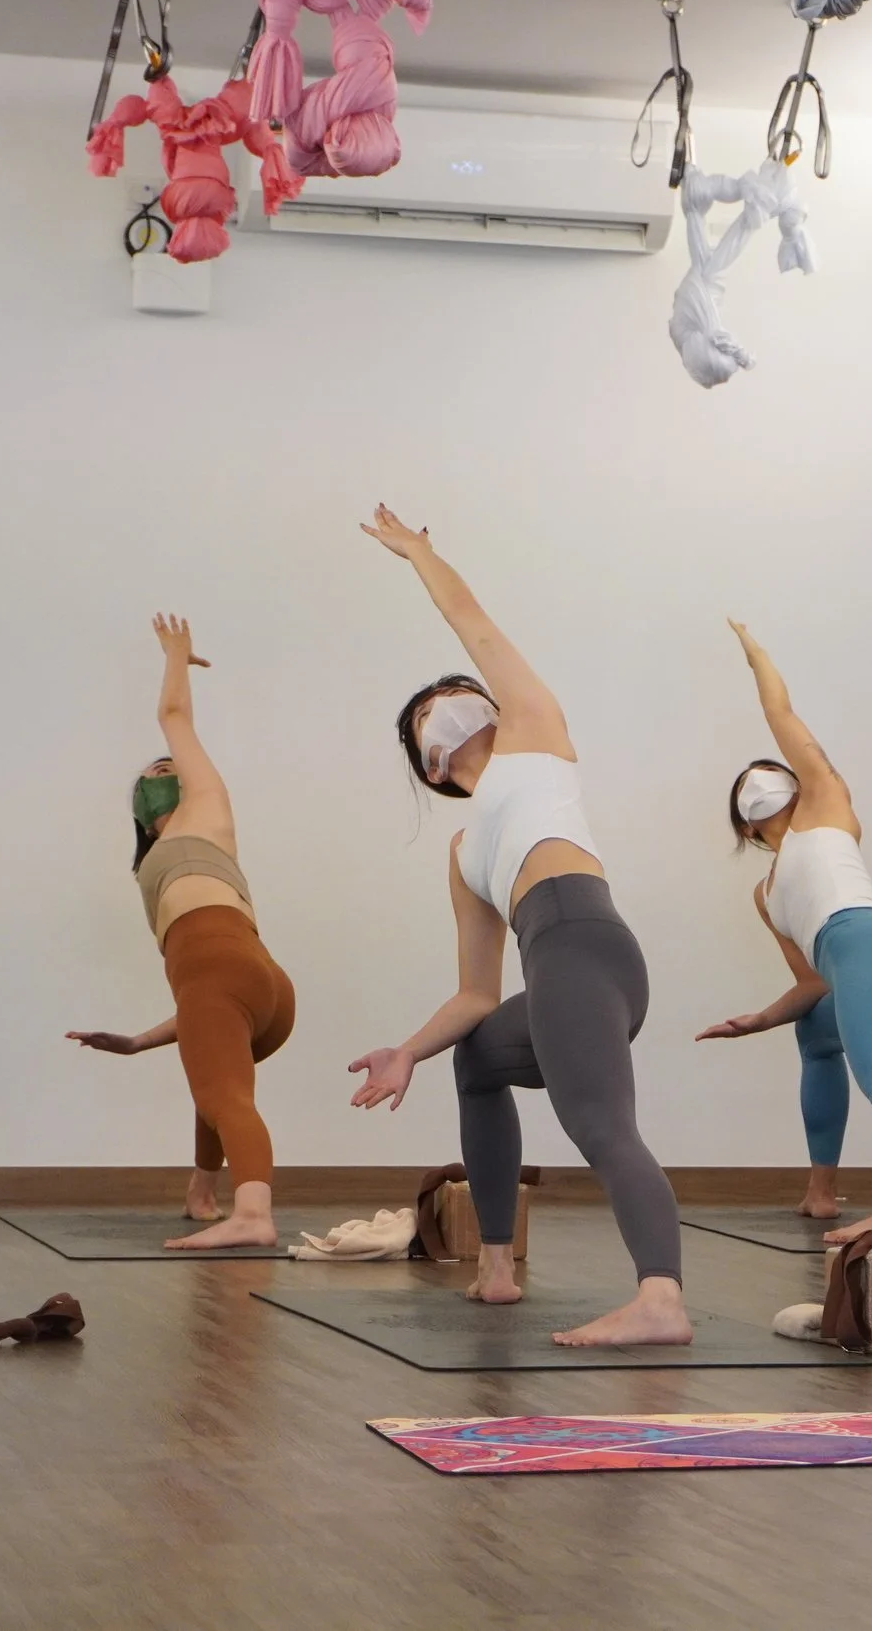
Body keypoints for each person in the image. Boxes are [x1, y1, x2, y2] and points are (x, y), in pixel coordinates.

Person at [343, 505, 688, 1348]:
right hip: (558, 966)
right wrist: (406, 1050)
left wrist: (419, 553)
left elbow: (473, 621)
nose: (446, 700)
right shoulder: (464, 851)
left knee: (603, 1128)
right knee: (479, 1055)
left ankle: (660, 1300)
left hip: (584, 944)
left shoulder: (533, 731)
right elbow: (475, 992)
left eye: (453, 691)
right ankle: (495, 1266)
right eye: (428, 708)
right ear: (431, 766)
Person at [699, 622, 872, 1244]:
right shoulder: (767, 893)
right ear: (747, 832)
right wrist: (757, 1020)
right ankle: (820, 1192)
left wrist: (756, 658)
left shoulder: (826, 806)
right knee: (816, 1031)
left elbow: (780, 711)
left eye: (768, 772)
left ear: (797, 786)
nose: (757, 781)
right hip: (856, 966)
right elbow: (811, 983)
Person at [68, 614, 296, 1250]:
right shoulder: (156, 868)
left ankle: (253, 1215)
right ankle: (203, 1193)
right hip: (256, 984)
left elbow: (175, 715)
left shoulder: (206, 804)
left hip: (231, 974)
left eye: (171, 766)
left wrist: (175, 655)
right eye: (158, 769)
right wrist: (142, 1041)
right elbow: (204, 999)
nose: (168, 767)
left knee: (225, 1096)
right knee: (214, 1079)